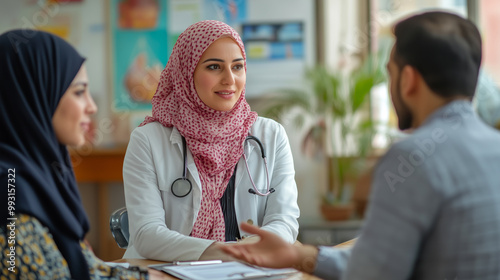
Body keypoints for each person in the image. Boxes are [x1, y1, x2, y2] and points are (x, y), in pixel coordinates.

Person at [221, 11, 500, 280]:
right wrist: (298, 255)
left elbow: (372, 273)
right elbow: (383, 261)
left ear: (408, 79)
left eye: (390, 73)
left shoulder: (412, 159)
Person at [122, 20, 300, 261]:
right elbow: (146, 234)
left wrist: (251, 251)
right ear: (186, 72)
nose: (230, 79)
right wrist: (224, 253)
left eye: (237, 67)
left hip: (250, 270)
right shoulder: (147, 140)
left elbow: (284, 221)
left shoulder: (271, 135)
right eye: (214, 67)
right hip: (171, 272)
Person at [0, 30, 165, 280]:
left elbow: (84, 267)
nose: (92, 106)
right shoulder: (10, 196)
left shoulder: (40, 171)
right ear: (33, 96)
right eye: (79, 92)